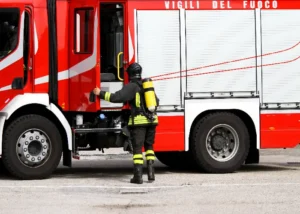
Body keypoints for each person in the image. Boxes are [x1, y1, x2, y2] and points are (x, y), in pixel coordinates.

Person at [93, 62, 159, 184]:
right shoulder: (147, 85)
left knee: (138, 150)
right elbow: (157, 102)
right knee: (149, 147)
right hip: (152, 121)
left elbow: (117, 97)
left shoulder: (132, 86)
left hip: (139, 123)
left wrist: (100, 93)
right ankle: (151, 174)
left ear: (130, 74)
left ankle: (138, 177)